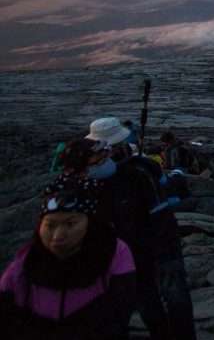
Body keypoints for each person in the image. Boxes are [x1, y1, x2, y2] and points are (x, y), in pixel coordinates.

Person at [84, 117, 196, 340]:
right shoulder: (142, 167)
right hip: (150, 245)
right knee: (166, 298)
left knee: (157, 299)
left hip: (150, 245)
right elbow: (168, 198)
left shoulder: (133, 171)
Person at [0, 177, 137, 339]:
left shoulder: (114, 253)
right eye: (50, 225)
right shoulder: (24, 264)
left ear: (90, 223)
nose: (58, 236)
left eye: (70, 224)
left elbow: (119, 311)